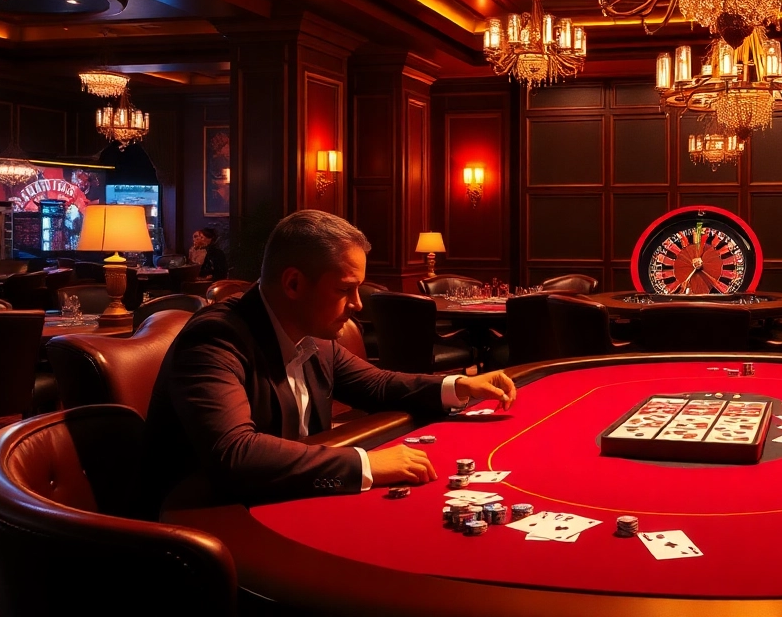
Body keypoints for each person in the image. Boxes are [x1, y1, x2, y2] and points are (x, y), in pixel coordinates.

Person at [145, 210, 516, 505]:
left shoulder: (312, 335)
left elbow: (377, 384)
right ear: (293, 284)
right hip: (205, 523)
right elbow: (234, 454)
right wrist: (364, 463)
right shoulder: (216, 339)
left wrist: (460, 385)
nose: (357, 304)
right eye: (344, 290)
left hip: (281, 499)